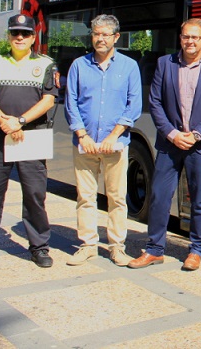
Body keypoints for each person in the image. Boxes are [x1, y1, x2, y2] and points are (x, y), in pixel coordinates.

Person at [128, 18, 201, 271]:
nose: (190, 41)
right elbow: (155, 103)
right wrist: (173, 134)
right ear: (180, 38)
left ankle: (196, 250)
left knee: (199, 198)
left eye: (195, 37)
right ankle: (154, 249)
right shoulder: (165, 63)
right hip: (169, 143)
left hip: (199, 145)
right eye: (186, 36)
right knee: (160, 196)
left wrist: (196, 135)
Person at [0, 14, 58, 269]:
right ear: (8, 35)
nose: (19, 37)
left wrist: (20, 121)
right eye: (15, 32)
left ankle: (39, 248)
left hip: (32, 135)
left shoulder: (46, 64)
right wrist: (6, 122)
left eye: (25, 33)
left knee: (35, 194)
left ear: (33, 37)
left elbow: (48, 100)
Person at [64, 14, 142, 267]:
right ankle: (87, 245)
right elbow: (71, 103)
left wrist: (112, 136)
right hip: (85, 145)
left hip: (115, 145)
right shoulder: (79, 65)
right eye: (96, 33)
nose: (100, 38)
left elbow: (133, 106)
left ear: (116, 37)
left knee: (117, 198)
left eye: (105, 34)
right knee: (85, 197)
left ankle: (116, 247)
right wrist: (82, 135)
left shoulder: (129, 66)